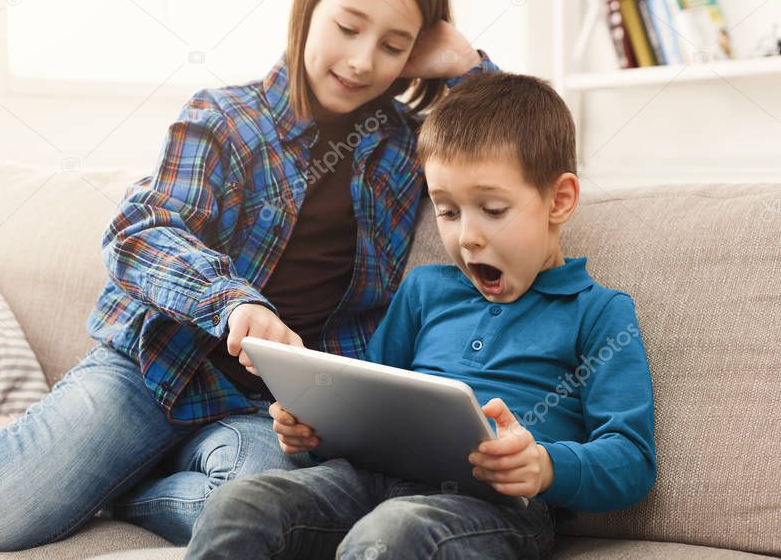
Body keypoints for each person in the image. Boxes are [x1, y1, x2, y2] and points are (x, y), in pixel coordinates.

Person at [0, 0, 500, 551]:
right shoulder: (223, 119)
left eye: (395, 45)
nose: (363, 60)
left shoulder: (403, 146)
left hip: (271, 414)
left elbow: (510, 159)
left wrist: (470, 66)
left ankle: (118, 485)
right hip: (153, 371)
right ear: (310, 5)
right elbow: (139, 230)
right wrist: (234, 301)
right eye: (347, 28)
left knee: (276, 522)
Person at [185, 72, 657, 560]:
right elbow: (362, 406)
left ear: (558, 201)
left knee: (392, 533)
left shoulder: (599, 312)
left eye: (493, 209)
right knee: (238, 504)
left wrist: (544, 465)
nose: (467, 237)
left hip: (493, 507)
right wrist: (312, 430)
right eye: (448, 212)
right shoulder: (425, 291)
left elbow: (632, 459)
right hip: (368, 483)